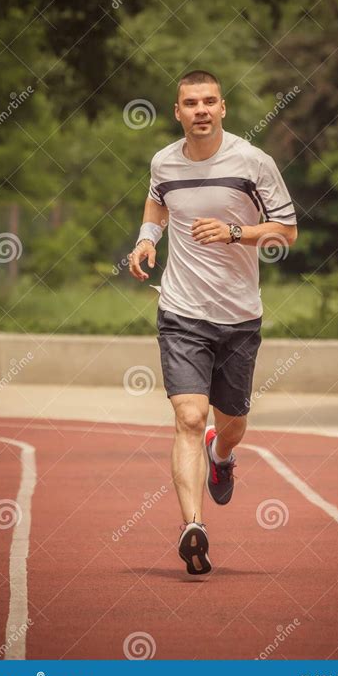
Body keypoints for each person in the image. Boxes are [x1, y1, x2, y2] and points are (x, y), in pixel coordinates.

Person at [128, 70, 297, 575]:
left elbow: (286, 233)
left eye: (209, 102)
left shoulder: (252, 162)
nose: (200, 110)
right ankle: (192, 527)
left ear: (223, 109)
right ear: (177, 112)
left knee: (232, 424)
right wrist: (146, 241)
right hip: (181, 312)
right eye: (190, 103)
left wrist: (233, 232)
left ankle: (222, 456)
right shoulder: (163, 161)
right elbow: (158, 200)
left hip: (240, 316)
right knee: (187, 417)